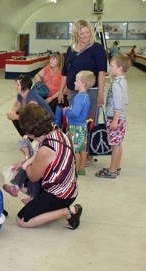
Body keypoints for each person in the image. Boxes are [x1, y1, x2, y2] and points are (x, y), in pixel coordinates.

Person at [15, 104, 82, 230]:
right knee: (20, 178)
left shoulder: (46, 149)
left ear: (30, 132)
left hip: (60, 195)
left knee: (22, 220)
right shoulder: (59, 133)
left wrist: (25, 162)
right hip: (69, 187)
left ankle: (67, 212)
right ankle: (43, 204)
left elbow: (33, 177)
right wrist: (25, 163)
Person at [58, 19, 107, 166]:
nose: (85, 35)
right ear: (76, 34)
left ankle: (87, 155)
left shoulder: (97, 48)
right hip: (73, 92)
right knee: (74, 123)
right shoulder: (71, 49)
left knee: (86, 123)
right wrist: (61, 91)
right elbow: (65, 73)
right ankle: (76, 152)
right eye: (82, 33)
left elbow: (101, 72)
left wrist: (100, 94)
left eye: (87, 32)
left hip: (90, 93)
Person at [95, 54, 130, 179]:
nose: (109, 68)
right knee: (118, 143)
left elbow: (119, 104)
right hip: (121, 117)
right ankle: (116, 166)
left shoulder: (116, 85)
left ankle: (112, 169)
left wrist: (115, 120)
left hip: (116, 118)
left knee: (114, 144)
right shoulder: (122, 81)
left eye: (112, 66)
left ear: (120, 68)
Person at [63, 70, 95, 176]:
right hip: (82, 126)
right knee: (82, 149)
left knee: (75, 150)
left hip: (75, 127)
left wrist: (66, 111)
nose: (74, 82)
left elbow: (74, 113)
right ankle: (81, 169)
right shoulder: (86, 96)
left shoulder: (78, 98)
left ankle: (75, 170)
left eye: (76, 80)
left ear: (83, 84)